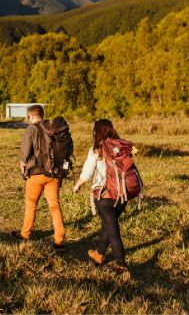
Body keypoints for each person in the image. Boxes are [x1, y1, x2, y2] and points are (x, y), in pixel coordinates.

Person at [72, 118, 131, 277]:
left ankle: (121, 265)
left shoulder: (97, 149)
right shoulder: (121, 146)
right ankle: (99, 254)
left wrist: (78, 184)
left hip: (105, 196)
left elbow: (87, 173)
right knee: (108, 225)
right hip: (123, 194)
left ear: (96, 132)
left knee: (112, 230)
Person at [10, 104, 66, 250]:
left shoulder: (30, 129)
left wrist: (22, 165)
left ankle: (25, 233)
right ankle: (59, 241)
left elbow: (25, 153)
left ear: (32, 115)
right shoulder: (52, 128)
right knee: (54, 207)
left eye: (28, 116)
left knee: (31, 204)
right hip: (53, 174)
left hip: (35, 174)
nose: (28, 119)